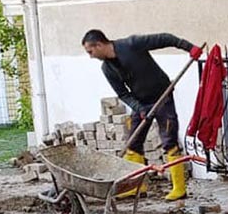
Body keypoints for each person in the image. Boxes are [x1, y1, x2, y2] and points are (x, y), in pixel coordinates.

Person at [82, 29, 203, 201]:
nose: (91, 56)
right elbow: (123, 94)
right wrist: (139, 108)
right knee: (133, 143)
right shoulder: (107, 68)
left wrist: (189, 47)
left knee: (169, 141)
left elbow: (165, 39)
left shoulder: (132, 45)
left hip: (163, 97)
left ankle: (179, 189)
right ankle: (137, 187)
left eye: (90, 51)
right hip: (141, 103)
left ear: (99, 45)